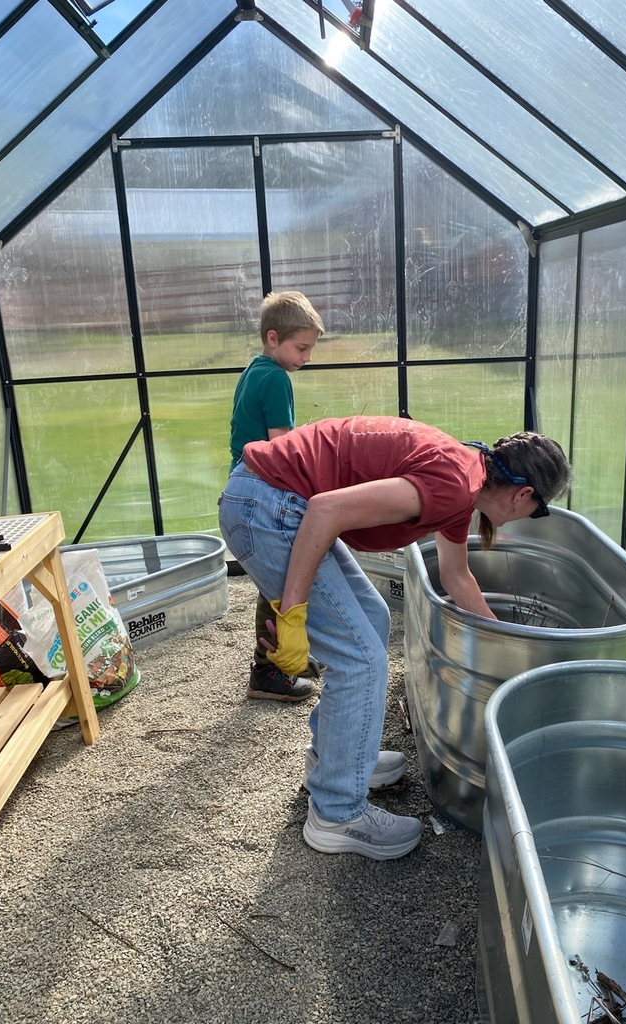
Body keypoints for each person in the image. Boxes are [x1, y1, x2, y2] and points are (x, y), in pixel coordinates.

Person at [219, 415, 571, 860]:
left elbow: (457, 576)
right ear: (524, 494)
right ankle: (336, 814)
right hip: (267, 507)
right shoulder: (455, 483)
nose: (531, 517)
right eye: (538, 509)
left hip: (271, 498)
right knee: (362, 660)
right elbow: (326, 510)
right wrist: (291, 613)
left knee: (373, 616)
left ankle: (336, 760)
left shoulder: (466, 476)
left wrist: (508, 645)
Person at [228, 290, 325, 702]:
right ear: (273, 338)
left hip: (244, 479)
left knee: (280, 575)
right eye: (301, 348)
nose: (306, 357)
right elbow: (281, 448)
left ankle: (291, 655)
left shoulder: (254, 370)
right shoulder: (275, 379)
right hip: (264, 486)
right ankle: (268, 669)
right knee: (280, 580)